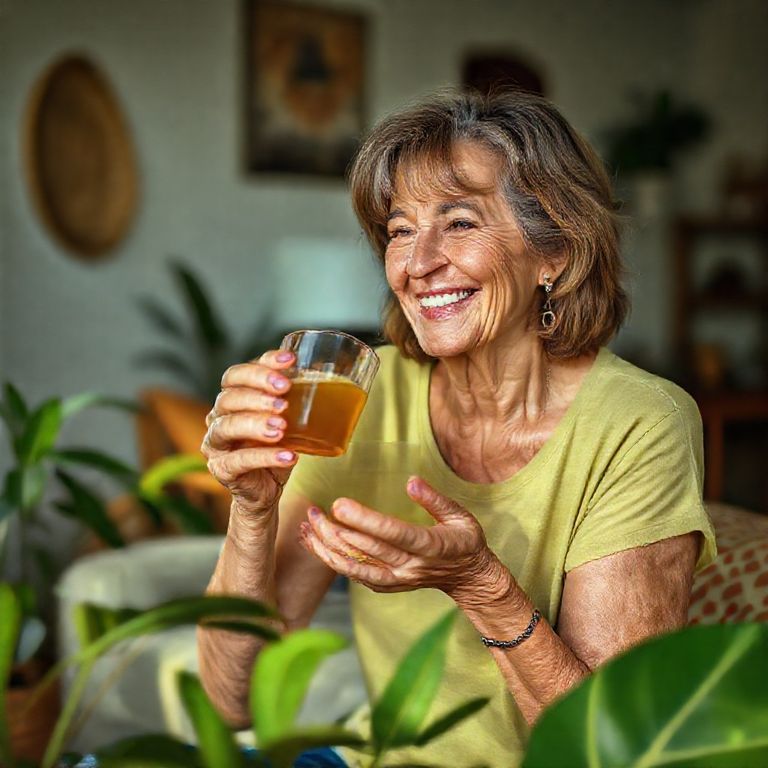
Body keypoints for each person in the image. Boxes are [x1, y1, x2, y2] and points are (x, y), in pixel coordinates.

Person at [197, 90, 716, 768]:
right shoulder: (361, 392)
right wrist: (253, 507)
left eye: (460, 222)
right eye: (400, 230)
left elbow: (608, 750)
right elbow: (231, 701)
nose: (416, 264)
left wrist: (480, 585)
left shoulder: (638, 423)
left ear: (553, 251)